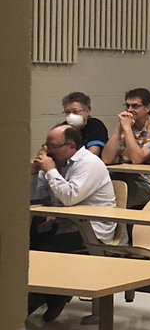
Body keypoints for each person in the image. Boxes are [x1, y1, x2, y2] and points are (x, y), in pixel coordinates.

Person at [29, 125, 119, 319]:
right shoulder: (57, 163)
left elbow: (70, 197)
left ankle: (22, 309)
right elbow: (35, 197)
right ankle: (54, 295)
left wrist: (51, 170)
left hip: (92, 230)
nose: (47, 150)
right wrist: (33, 173)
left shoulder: (89, 163)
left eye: (52, 146)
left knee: (45, 255)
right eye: (46, 145)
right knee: (26, 249)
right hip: (64, 224)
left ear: (70, 146)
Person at [100, 87, 150, 208]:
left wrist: (127, 129)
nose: (129, 110)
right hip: (121, 175)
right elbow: (106, 159)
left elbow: (137, 159)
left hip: (147, 182)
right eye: (127, 106)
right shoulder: (126, 125)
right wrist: (118, 128)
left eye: (135, 106)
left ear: (147, 108)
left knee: (114, 198)